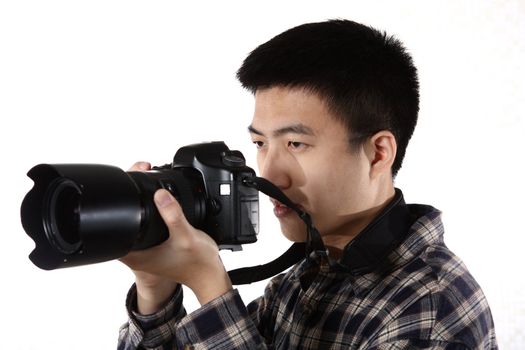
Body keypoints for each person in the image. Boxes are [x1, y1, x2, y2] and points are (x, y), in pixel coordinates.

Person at [117, 19, 498, 349]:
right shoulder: (308, 275)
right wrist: (156, 289)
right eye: (260, 144)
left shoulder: (429, 312)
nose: (268, 175)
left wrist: (209, 285)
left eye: (296, 144)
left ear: (379, 153)